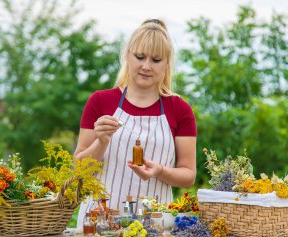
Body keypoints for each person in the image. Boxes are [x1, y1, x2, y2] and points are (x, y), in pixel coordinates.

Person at [74, 18, 197, 229]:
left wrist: (159, 171)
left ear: (167, 64)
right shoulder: (101, 101)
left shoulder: (179, 109)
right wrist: (101, 142)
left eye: (156, 60)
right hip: (98, 224)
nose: (146, 66)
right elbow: (78, 169)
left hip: (154, 227)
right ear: (127, 56)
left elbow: (188, 175)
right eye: (140, 57)